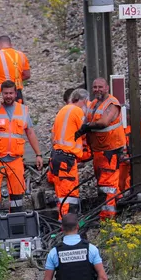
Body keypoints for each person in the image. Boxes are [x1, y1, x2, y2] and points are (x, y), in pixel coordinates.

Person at [0, 80, 43, 231]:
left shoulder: (23, 110)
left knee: (17, 197)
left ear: (15, 93)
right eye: (5, 93)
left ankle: (16, 228)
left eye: (11, 93)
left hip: (15, 160)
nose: (8, 96)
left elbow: (30, 132)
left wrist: (38, 154)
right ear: (1, 94)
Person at [77, 78, 126, 220]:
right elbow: (84, 119)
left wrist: (87, 127)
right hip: (99, 151)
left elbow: (104, 122)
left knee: (108, 185)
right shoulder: (93, 104)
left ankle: (108, 217)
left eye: (100, 87)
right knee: (104, 184)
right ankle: (116, 205)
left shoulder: (112, 104)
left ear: (107, 88)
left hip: (110, 150)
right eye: (95, 87)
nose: (97, 89)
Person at [49, 89, 90, 218]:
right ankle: (68, 227)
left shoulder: (63, 110)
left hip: (57, 156)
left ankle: (63, 225)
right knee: (69, 196)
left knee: (62, 196)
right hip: (66, 160)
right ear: (84, 101)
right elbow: (85, 129)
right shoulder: (77, 111)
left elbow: (54, 136)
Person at [118, 106, 141, 193]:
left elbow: (140, 141)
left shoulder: (137, 124)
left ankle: (128, 195)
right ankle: (120, 195)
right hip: (122, 158)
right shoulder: (119, 124)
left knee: (130, 178)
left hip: (131, 157)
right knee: (120, 180)